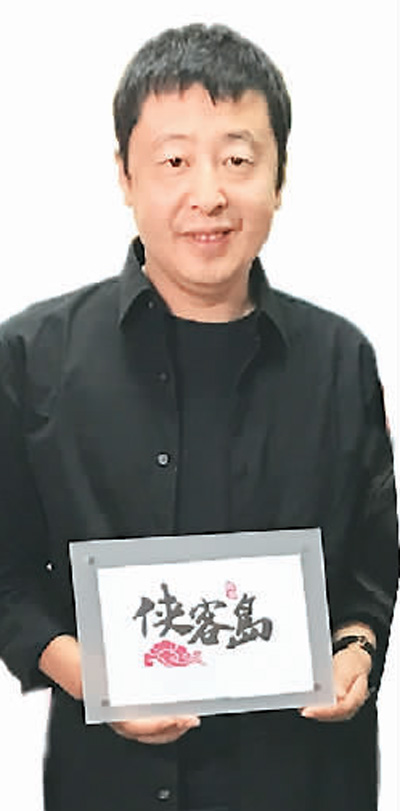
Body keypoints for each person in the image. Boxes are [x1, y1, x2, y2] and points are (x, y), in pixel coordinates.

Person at [0, 23, 397, 811]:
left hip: (307, 780)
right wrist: (91, 675)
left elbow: (368, 566)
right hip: (107, 785)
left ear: (279, 176)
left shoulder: (340, 358)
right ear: (125, 174)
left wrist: (356, 651)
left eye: (238, 159)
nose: (208, 193)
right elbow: (5, 571)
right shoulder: (31, 357)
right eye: (175, 161)